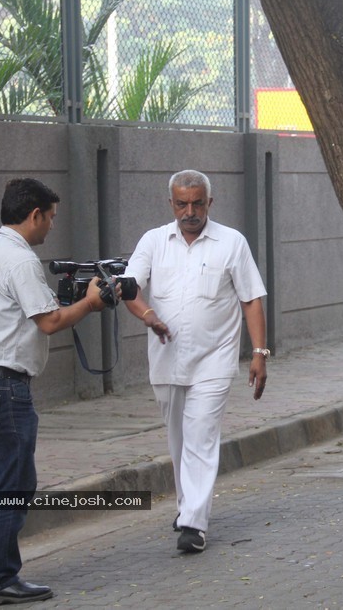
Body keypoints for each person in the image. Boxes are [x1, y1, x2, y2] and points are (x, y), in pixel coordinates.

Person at [0, 178, 111, 606]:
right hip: (2, 389)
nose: (51, 227)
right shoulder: (20, 261)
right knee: (14, 486)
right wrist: (92, 302)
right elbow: (51, 322)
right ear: (34, 214)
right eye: (51, 217)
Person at [123, 170, 268, 554]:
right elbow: (129, 287)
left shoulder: (231, 242)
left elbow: (251, 298)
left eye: (197, 203)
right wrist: (147, 315)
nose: (190, 211)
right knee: (178, 440)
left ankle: (193, 523)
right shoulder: (154, 241)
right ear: (171, 204)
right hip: (167, 360)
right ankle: (187, 504)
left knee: (201, 437)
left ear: (209, 203)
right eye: (182, 204)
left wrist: (259, 353)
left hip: (214, 361)